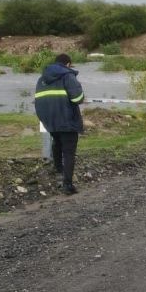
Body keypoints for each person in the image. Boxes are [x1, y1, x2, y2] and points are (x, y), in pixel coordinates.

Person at [34, 53, 85, 195]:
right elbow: (78, 98)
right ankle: (67, 185)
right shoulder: (68, 76)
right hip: (67, 119)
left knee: (56, 141)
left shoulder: (41, 78)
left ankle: (58, 169)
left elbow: (38, 99)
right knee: (69, 151)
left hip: (49, 119)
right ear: (68, 64)